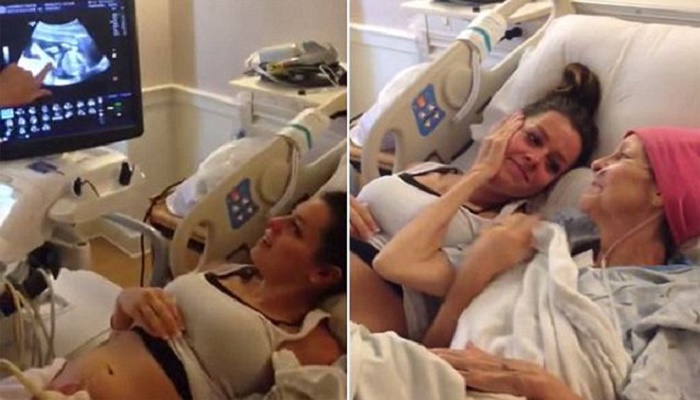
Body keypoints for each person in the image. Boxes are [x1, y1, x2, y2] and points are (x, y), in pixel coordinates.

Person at [385, 127, 700, 398]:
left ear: (663, 191)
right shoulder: (545, 239)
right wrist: (475, 272)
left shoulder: (681, 298)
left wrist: (535, 385)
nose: (597, 163)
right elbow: (397, 267)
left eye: (623, 157)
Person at [1, 191, 347, 400]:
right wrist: (127, 303)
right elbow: (123, 338)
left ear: (323, 274)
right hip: (53, 382)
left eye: (295, 228)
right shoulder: (224, 271)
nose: (273, 222)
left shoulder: (312, 343)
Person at [350, 62, 601, 338]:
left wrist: (479, 173)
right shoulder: (425, 169)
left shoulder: (504, 233)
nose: (534, 158)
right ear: (506, 126)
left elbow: (392, 263)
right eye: (533, 139)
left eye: (552, 165)